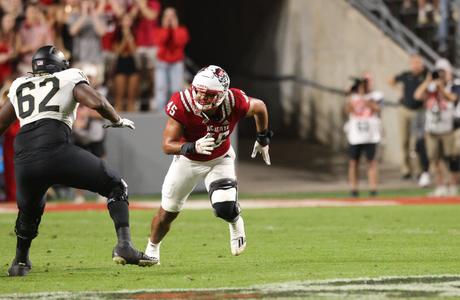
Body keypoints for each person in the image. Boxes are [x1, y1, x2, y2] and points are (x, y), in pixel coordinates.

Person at [1, 45, 157, 277]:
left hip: (24, 156)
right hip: (55, 149)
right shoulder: (69, 77)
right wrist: (116, 119)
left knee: (29, 211)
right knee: (116, 185)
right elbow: (97, 103)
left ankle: (20, 262)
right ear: (59, 64)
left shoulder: (19, 84)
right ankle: (124, 246)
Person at [144, 65, 272, 263]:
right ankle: (152, 248)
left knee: (225, 207)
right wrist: (191, 147)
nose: (202, 98)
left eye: (209, 95)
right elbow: (167, 145)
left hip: (220, 159)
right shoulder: (183, 103)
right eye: (199, 92)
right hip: (187, 161)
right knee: (167, 213)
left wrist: (263, 137)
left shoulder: (234, 101)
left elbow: (260, 107)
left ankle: (236, 221)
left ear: (222, 94)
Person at [414, 58, 458, 196]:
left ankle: (452, 186)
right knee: (435, 158)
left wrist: (441, 89)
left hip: (447, 128)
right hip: (432, 128)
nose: (440, 75)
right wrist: (428, 81)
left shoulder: (453, 85)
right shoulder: (430, 86)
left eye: (442, 72)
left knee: (450, 158)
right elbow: (417, 96)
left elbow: (453, 98)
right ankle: (441, 186)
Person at [389, 54, 430, 186]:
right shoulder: (406, 75)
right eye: (414, 63)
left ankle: (418, 170)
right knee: (404, 141)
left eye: (419, 62)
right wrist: (399, 90)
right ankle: (406, 169)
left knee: (417, 142)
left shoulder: (426, 76)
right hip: (404, 110)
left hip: (419, 111)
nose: (417, 65)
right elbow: (390, 80)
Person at [344, 76, 382, 197]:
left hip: (370, 134)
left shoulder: (375, 95)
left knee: (371, 162)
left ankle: (373, 189)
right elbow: (348, 109)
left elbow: (377, 108)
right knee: (353, 162)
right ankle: (354, 189)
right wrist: (351, 94)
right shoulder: (352, 97)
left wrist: (363, 97)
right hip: (356, 135)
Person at [154, 7, 189, 110]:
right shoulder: (158, 30)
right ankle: (159, 113)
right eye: (166, 16)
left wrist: (173, 28)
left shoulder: (182, 30)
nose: (169, 19)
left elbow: (179, 42)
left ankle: (176, 112)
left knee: (176, 89)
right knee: (161, 89)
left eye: (172, 16)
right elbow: (161, 41)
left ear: (176, 18)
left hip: (176, 62)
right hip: (162, 62)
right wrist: (166, 29)